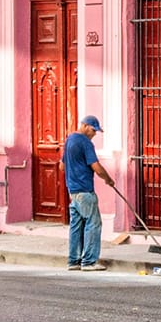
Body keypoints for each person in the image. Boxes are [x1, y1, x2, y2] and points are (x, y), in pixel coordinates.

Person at [64, 115, 115, 271]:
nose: (94, 134)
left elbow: (61, 165)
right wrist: (108, 179)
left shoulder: (69, 140)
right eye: (93, 130)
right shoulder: (85, 143)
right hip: (85, 190)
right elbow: (96, 166)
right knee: (93, 223)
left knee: (76, 225)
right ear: (84, 126)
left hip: (72, 190)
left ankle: (73, 261)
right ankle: (89, 262)